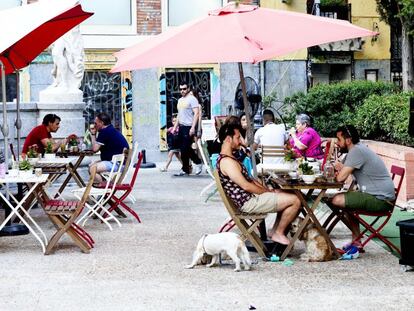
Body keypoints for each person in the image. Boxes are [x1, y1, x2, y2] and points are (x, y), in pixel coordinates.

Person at [217, 123, 301, 255]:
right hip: (248, 203)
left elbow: (251, 180)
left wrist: (268, 190)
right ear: (228, 139)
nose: (240, 142)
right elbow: (246, 185)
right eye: (238, 137)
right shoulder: (227, 162)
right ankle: (279, 233)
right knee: (295, 200)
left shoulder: (230, 158)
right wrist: (267, 191)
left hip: (250, 199)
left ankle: (274, 231)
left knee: (286, 193)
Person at [328, 125, 395, 249]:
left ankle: (355, 239)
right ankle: (356, 240)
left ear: (348, 140)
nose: (337, 143)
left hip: (381, 199)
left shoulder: (356, 151)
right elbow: (341, 172)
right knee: (344, 202)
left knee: (337, 200)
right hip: (377, 195)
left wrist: (339, 169)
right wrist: (339, 168)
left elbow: (340, 178)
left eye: (339, 139)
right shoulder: (356, 150)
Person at [173, 81, 203, 176]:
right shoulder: (180, 100)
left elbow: (196, 113)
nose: (182, 91)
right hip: (181, 126)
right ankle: (186, 169)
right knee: (183, 149)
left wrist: (193, 127)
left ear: (188, 89)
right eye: (181, 89)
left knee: (185, 148)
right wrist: (175, 127)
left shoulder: (192, 99)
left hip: (189, 126)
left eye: (184, 89)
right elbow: (179, 115)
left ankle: (197, 162)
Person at [89, 112, 129, 182]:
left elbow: (95, 149)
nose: (94, 125)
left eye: (96, 123)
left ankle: (104, 186)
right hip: (120, 163)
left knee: (92, 169)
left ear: (101, 123)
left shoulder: (104, 132)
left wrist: (93, 134)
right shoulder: (111, 130)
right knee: (92, 165)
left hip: (116, 164)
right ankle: (104, 184)